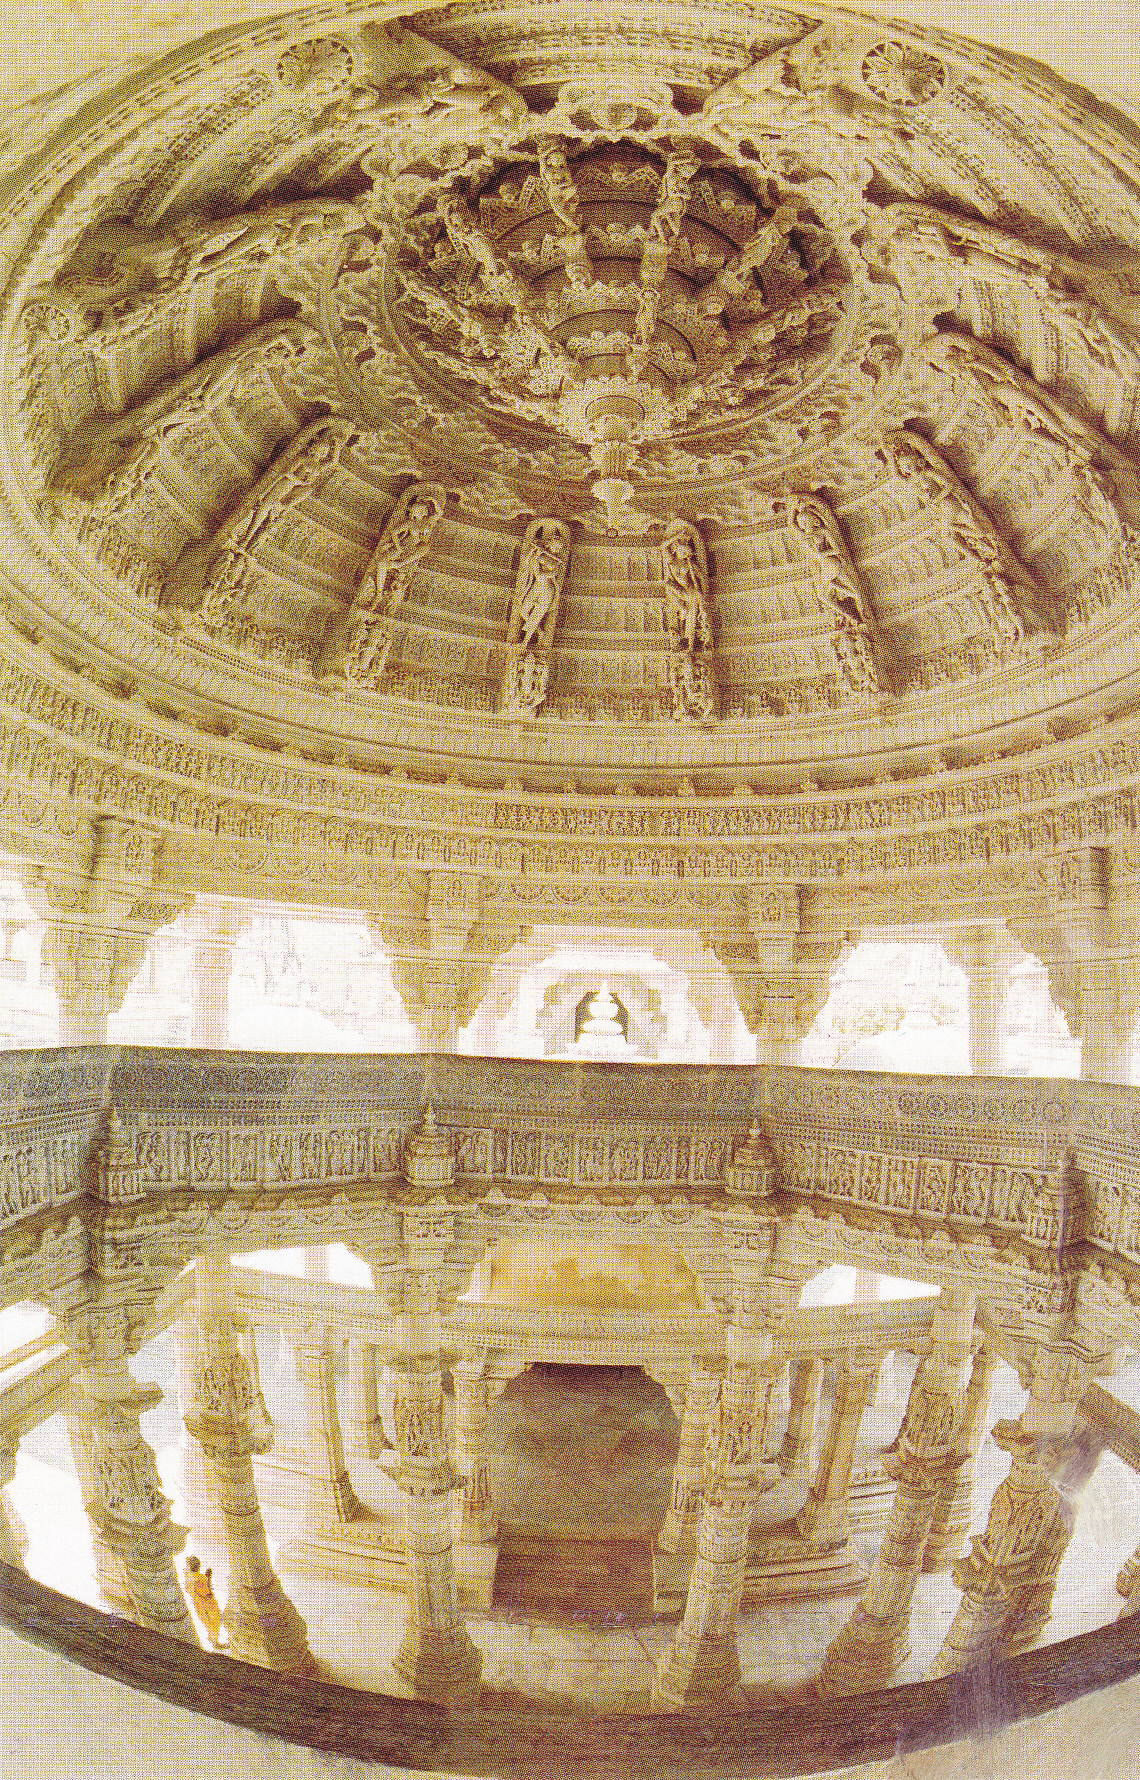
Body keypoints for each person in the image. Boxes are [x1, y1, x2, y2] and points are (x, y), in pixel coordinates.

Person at [183, 1554, 226, 1648]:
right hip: (207, 1603)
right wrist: (209, 1578)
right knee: (214, 1621)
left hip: (197, 1603)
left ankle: (212, 1638)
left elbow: (188, 1589)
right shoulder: (200, 1578)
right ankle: (216, 1643)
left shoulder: (189, 1577)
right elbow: (207, 1592)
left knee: (207, 1621)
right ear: (197, 1566)